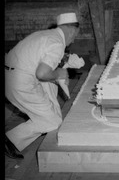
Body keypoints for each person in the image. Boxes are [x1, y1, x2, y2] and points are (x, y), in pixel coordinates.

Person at [5, 12, 80, 159]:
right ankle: (10, 140)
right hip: (20, 83)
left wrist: (57, 74)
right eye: (75, 36)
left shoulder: (45, 34)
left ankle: (50, 112)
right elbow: (42, 73)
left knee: (51, 85)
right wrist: (59, 73)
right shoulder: (57, 43)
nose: (73, 40)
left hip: (11, 74)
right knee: (52, 121)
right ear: (72, 30)